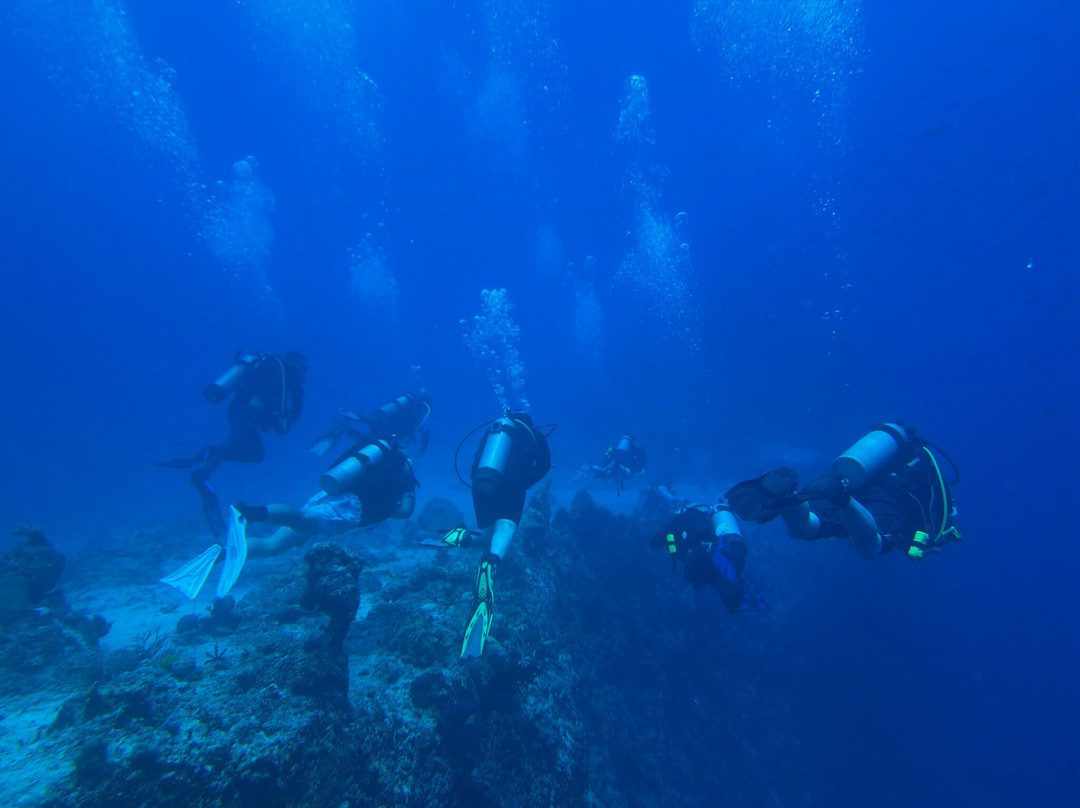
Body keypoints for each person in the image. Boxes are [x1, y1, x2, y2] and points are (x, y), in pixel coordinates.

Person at [160, 438, 417, 601]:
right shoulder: (404, 471)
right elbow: (405, 511)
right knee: (303, 519)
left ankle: (222, 553)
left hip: (332, 494)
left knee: (275, 545)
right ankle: (250, 514)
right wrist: (384, 510)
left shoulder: (374, 455)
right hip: (352, 511)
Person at [726, 423, 962, 560]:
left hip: (846, 477)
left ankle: (790, 496)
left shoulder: (890, 457)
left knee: (806, 528)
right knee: (871, 546)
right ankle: (843, 500)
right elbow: (935, 515)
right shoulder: (929, 479)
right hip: (889, 495)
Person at [157, 350, 307, 536]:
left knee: (256, 454)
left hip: (239, 410)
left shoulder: (271, 370)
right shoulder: (285, 373)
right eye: (302, 367)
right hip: (248, 413)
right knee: (234, 440)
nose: (302, 373)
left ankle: (211, 453)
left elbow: (274, 414)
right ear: (296, 364)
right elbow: (289, 413)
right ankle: (203, 474)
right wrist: (284, 420)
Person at [459, 410, 552, 658]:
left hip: (482, 481)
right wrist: (525, 481)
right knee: (505, 527)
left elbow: (475, 461)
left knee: (489, 530)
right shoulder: (533, 434)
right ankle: (490, 565)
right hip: (512, 482)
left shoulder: (495, 431)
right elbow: (543, 465)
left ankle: (466, 538)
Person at [649, 502, 767, 613]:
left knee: (691, 577)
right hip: (732, 547)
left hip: (708, 553)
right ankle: (741, 599)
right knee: (725, 578)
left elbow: (654, 542)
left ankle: (733, 598)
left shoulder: (682, 518)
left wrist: (671, 533)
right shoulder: (710, 517)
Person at [309, 392, 432, 459]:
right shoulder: (424, 417)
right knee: (366, 444)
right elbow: (425, 434)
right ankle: (346, 428)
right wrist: (423, 448)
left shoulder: (409, 408)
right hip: (389, 433)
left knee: (365, 443)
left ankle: (349, 426)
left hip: (381, 425)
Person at [570, 433, 647, 495]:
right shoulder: (638, 448)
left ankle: (591, 467)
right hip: (625, 467)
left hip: (614, 463)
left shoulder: (616, 446)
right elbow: (642, 461)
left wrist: (605, 466)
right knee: (627, 475)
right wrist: (641, 469)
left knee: (604, 474)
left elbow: (608, 455)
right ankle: (621, 468)